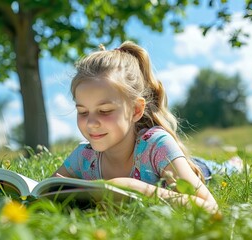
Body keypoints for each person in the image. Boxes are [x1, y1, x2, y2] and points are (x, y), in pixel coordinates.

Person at [52, 41, 239, 213]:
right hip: (167, 164)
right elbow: (49, 187)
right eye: (83, 112)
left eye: (105, 110)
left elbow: (210, 207)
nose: (91, 123)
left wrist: (138, 189)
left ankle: (232, 164)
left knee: (212, 168)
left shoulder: (158, 146)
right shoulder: (84, 156)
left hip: (190, 167)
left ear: (135, 110)